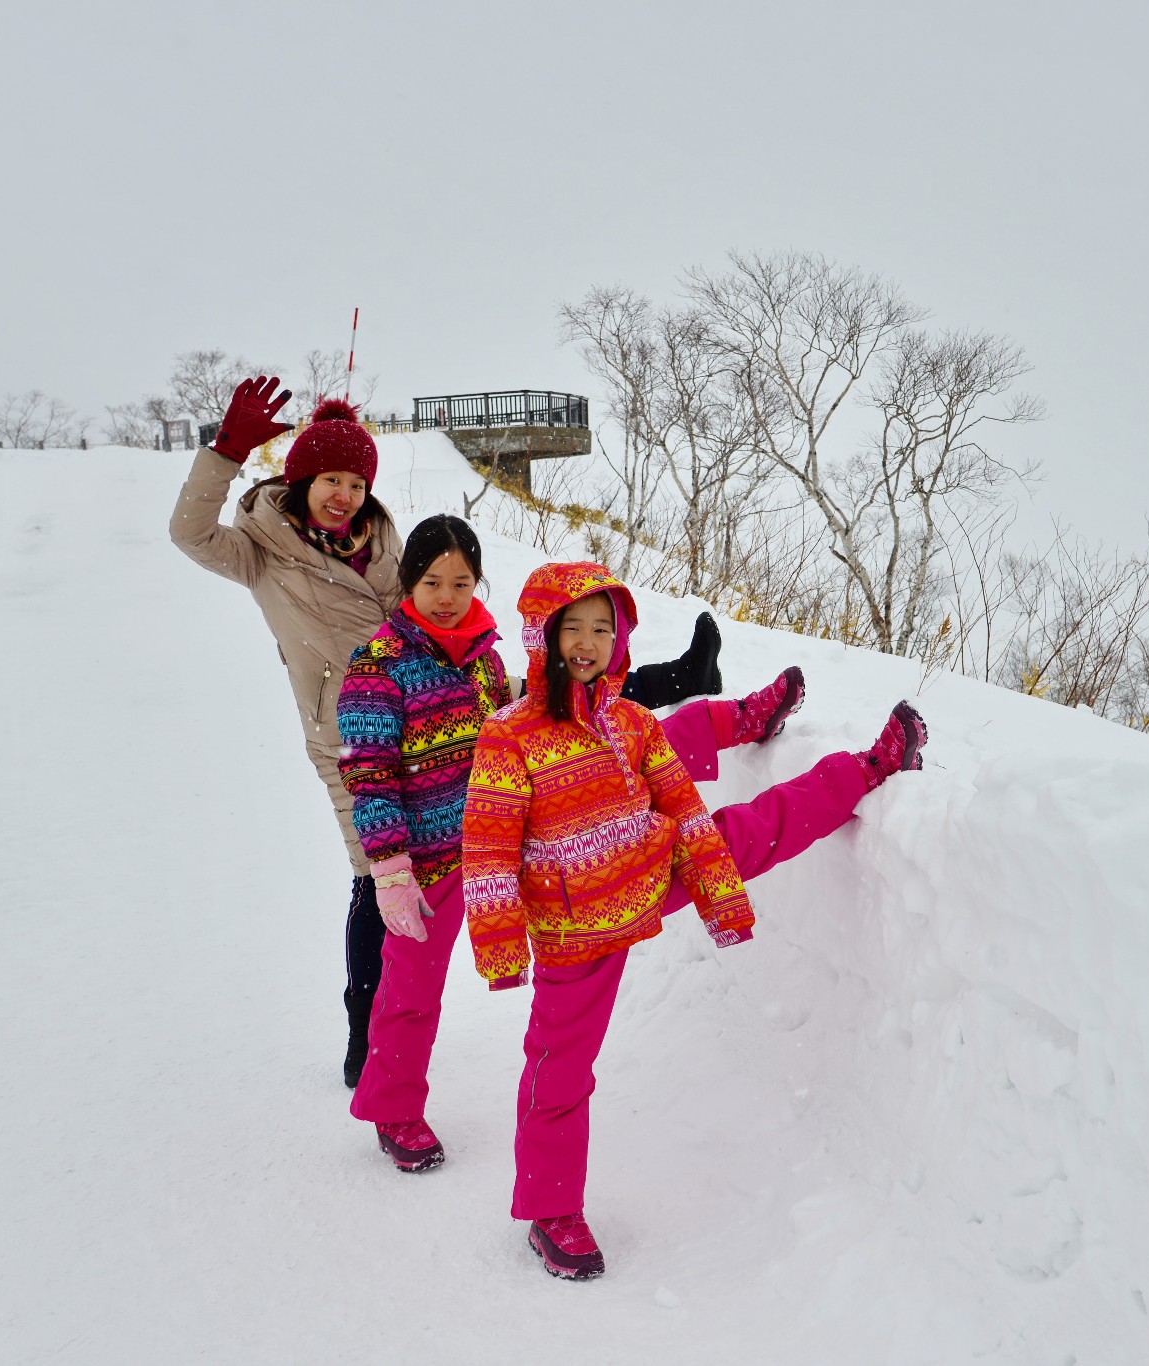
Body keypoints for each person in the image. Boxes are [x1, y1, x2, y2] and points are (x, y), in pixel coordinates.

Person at [168, 376, 724, 1087]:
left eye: (354, 480)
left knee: (568, 712)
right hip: (358, 736)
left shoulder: (383, 538)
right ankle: (364, 1029)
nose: (343, 494)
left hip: (447, 705)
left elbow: (435, 606)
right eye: (329, 479)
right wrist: (225, 452)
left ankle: (680, 679)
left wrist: (483, 662)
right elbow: (189, 534)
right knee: (377, 877)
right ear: (302, 480)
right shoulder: (263, 548)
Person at [462, 562, 929, 1280]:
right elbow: (489, 847)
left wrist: (718, 892)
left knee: (752, 828)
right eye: (572, 629)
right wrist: (500, 951)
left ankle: (866, 768)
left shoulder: (631, 720)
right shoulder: (511, 734)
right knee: (559, 1071)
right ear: (542, 637)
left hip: (648, 878)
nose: (587, 643)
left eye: (602, 629)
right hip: (574, 934)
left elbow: (683, 808)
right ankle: (551, 1210)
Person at [337, 523, 804, 1173]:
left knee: (622, 745)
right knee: (411, 988)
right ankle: (393, 1107)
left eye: (461, 583)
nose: (446, 597)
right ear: (408, 583)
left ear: (478, 585)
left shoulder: (485, 655)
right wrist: (390, 868)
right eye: (432, 583)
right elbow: (368, 772)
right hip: (431, 860)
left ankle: (743, 717)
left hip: (515, 835)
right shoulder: (377, 666)